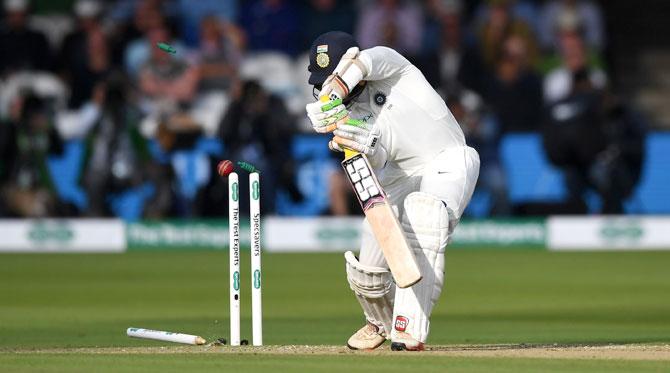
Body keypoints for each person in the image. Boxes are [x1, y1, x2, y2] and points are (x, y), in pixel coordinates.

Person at [305, 31, 480, 350]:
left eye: (334, 78)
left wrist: (332, 91)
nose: (328, 87)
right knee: (370, 253)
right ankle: (380, 321)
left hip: (449, 158)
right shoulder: (349, 113)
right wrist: (357, 141)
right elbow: (379, 158)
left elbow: (365, 62)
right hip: (399, 173)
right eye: (323, 81)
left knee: (424, 214)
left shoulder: (391, 64)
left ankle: (409, 327)